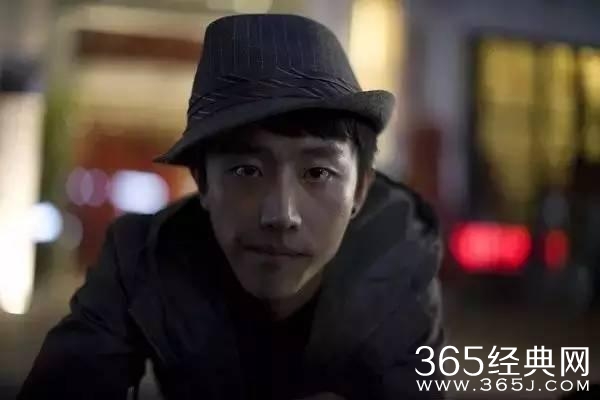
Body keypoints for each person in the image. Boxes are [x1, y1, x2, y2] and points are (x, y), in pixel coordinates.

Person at [19, 14, 444, 400]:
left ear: (359, 190)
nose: (281, 215)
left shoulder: (398, 261)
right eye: (246, 170)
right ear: (202, 182)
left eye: (317, 172)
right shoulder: (145, 254)